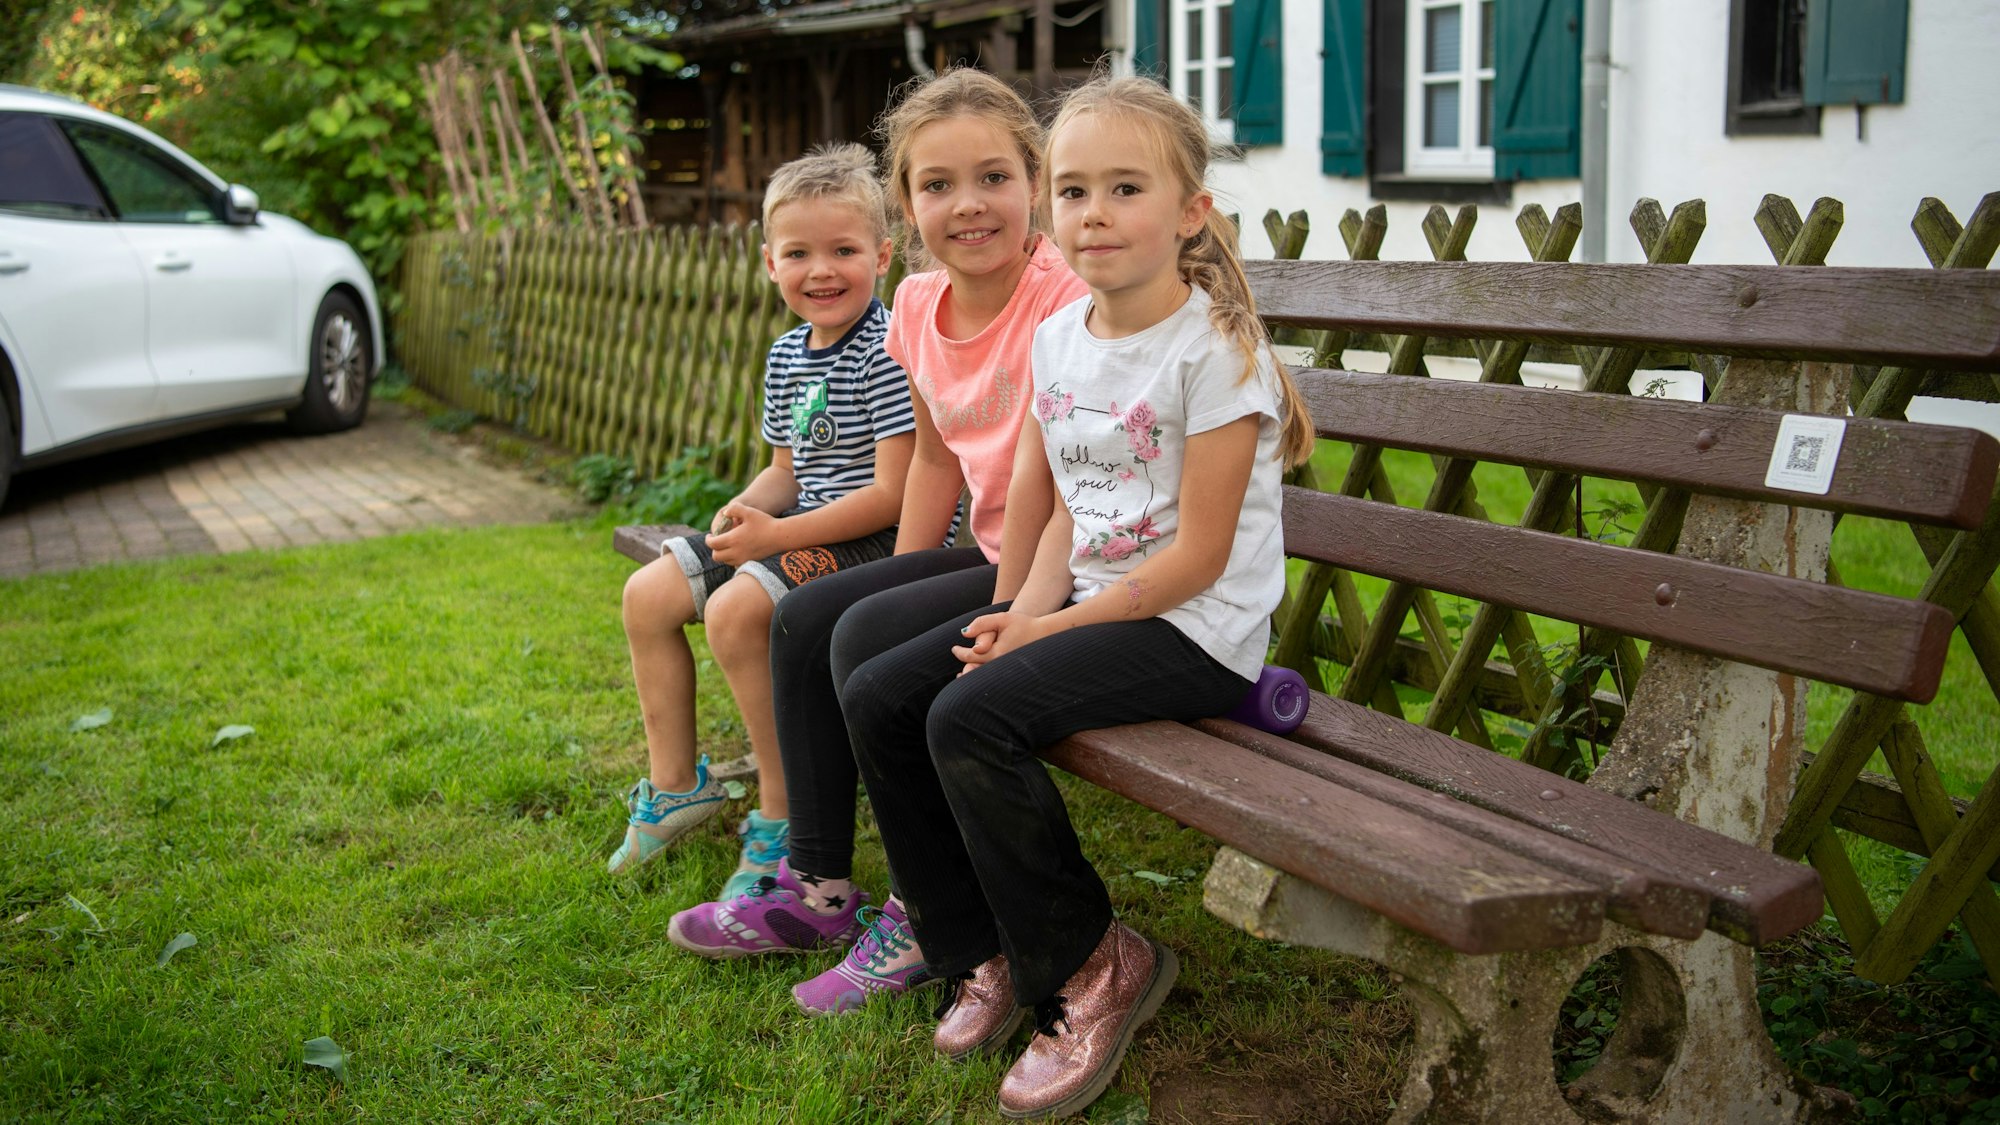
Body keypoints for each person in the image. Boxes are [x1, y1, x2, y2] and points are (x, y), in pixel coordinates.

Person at [837, 74, 1318, 1119]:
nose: (1094, 215)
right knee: (882, 691)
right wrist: (1014, 610)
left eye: (1126, 190)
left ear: (1190, 213)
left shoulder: (1214, 353)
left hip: (1191, 631)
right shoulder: (1060, 341)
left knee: (970, 714)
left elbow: (1193, 561)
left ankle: (1096, 964)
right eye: (1074, 192)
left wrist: (1042, 628)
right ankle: (981, 949)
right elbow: (1064, 516)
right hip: (1091, 603)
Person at [665, 69, 1090, 1016]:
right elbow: (937, 463)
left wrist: (988, 602)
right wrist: (892, 577)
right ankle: (815, 884)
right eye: (936, 185)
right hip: (988, 543)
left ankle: (922, 907)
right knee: (814, 615)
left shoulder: (1061, 301)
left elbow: (1059, 480)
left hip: (1062, 563)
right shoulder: (917, 306)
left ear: (1037, 183)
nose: (967, 204)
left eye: (994, 178)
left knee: (859, 640)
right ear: (905, 203)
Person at [608, 142, 914, 904]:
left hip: (875, 539)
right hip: (802, 526)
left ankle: (781, 814)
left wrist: (775, 537)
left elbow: (898, 495)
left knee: (738, 610)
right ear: (770, 264)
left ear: (881, 256)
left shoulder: (888, 350)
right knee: (648, 595)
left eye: (844, 250)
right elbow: (786, 470)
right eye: (799, 252)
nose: (822, 270)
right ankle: (678, 786)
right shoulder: (785, 357)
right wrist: (749, 508)